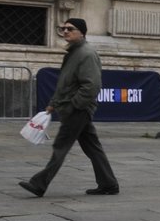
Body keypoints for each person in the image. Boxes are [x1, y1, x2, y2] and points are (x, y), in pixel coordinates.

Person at [20, 18, 119, 198]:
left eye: (70, 29)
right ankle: (109, 184)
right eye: (63, 28)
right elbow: (66, 84)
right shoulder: (73, 53)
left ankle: (39, 184)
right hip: (74, 108)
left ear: (81, 32)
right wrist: (53, 104)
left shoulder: (86, 54)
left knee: (61, 146)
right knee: (92, 147)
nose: (65, 31)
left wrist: (74, 105)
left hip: (77, 110)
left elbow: (92, 85)